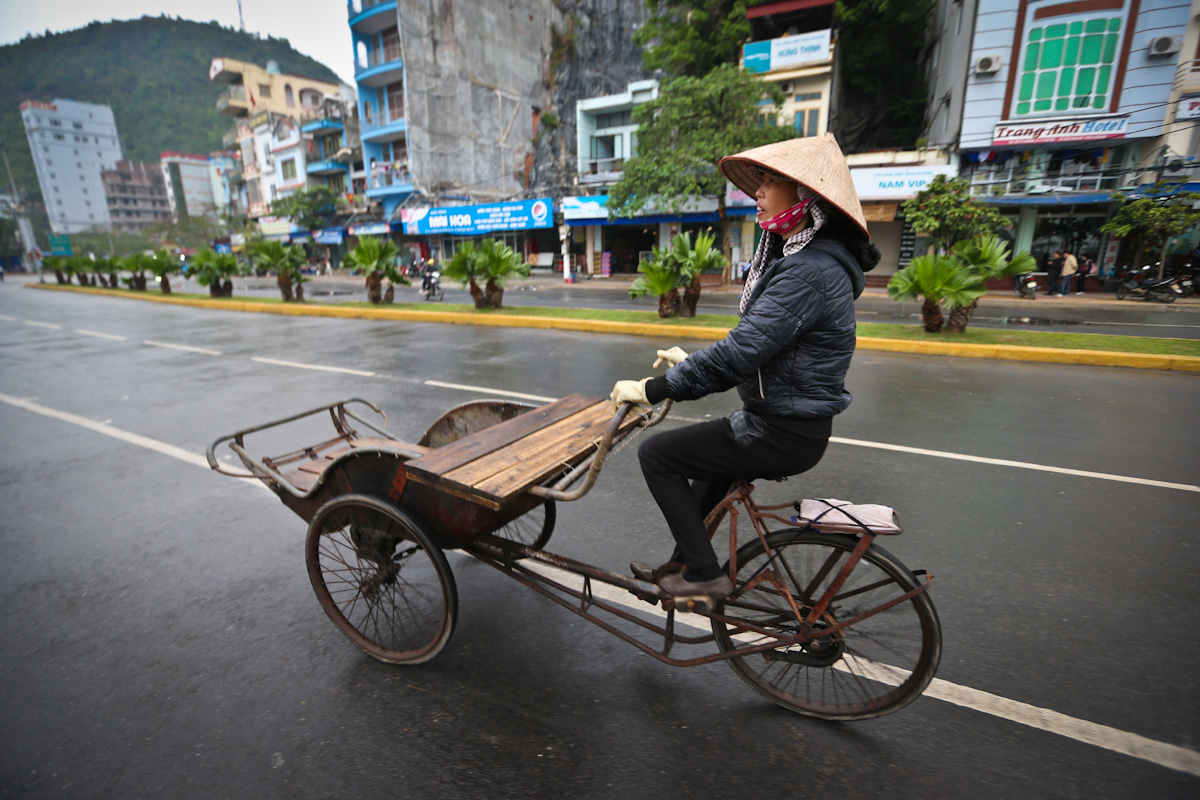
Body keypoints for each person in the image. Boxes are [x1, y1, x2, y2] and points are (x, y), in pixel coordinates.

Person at [610, 133, 880, 602]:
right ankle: (682, 570)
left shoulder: (808, 271)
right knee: (708, 468)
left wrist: (652, 389)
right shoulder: (809, 261)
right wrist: (691, 363)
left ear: (807, 197)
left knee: (657, 456)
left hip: (781, 431)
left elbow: (740, 356)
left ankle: (705, 578)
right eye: (759, 181)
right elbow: (759, 345)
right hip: (782, 422)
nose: (757, 192)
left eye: (770, 181)